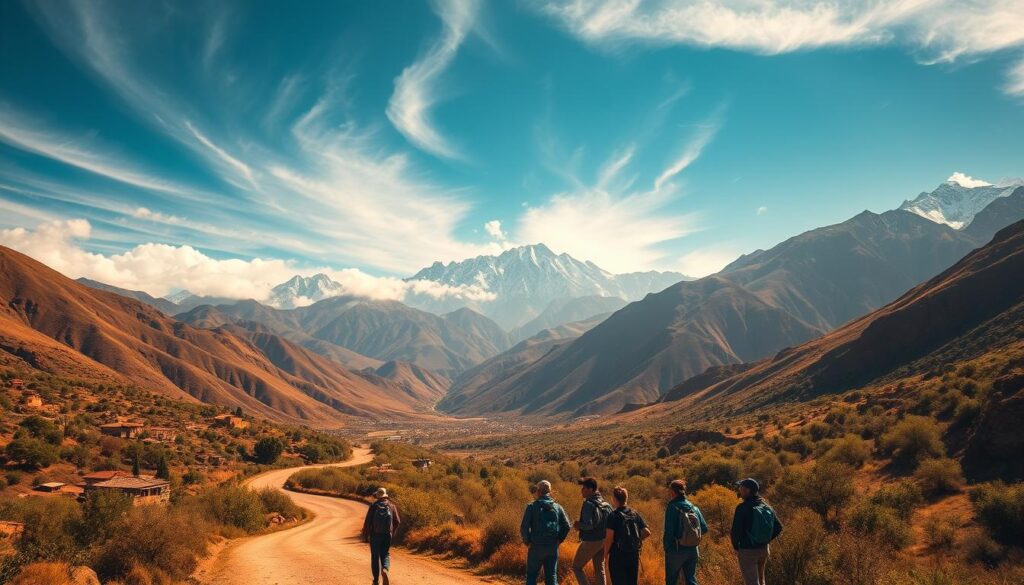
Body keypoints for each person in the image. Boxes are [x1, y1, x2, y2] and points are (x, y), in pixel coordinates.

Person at [731, 478, 783, 585]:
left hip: (747, 551)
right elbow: (778, 527)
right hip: (763, 549)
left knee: (751, 582)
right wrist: (765, 540)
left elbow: (736, 531)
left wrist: (736, 547)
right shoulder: (765, 505)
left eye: (741, 488)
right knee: (761, 580)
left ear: (747, 490)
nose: (740, 490)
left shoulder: (742, 508)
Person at [521, 480, 572, 585]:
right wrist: (559, 540)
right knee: (551, 577)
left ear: (538, 491)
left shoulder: (532, 507)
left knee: (531, 576)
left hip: (535, 547)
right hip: (552, 547)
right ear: (550, 491)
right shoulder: (558, 507)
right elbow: (567, 525)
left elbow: (524, 527)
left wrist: (528, 542)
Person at [603, 486, 651, 585]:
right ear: (626, 498)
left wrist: (605, 555)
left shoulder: (613, 516)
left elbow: (609, 538)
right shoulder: (634, 513)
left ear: (614, 499)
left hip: (617, 555)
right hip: (633, 554)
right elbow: (647, 532)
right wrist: (634, 539)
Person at [664, 479, 708, 585]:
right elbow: (704, 528)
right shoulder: (693, 507)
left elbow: (669, 531)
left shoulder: (672, 507)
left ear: (673, 492)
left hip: (676, 550)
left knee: (671, 580)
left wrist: (667, 547)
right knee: (691, 580)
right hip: (693, 550)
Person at [572, 477, 612, 585]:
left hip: (591, 541)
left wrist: (578, 525)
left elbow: (589, 525)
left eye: (584, 488)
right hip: (604, 540)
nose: (582, 490)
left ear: (591, 489)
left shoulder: (588, 504)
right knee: (599, 568)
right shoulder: (606, 504)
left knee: (576, 567)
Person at [362, 487, 401, 585]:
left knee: (375, 557)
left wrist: (366, 536)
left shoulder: (374, 506)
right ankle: (385, 569)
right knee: (385, 554)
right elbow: (397, 521)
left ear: (377, 496)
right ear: (385, 495)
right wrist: (392, 532)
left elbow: (367, 523)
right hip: (387, 535)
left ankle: (375, 581)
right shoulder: (392, 506)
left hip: (375, 535)